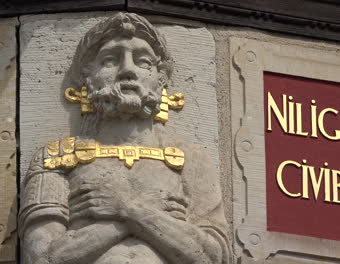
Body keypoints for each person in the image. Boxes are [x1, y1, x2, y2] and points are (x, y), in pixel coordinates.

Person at [19, 13, 230, 264]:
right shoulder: (55, 158)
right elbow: (42, 257)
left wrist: (128, 209)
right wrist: (145, 215)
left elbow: (213, 257)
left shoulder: (192, 160)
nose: (127, 70)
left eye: (143, 62)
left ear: (160, 79)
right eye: (110, 60)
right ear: (88, 77)